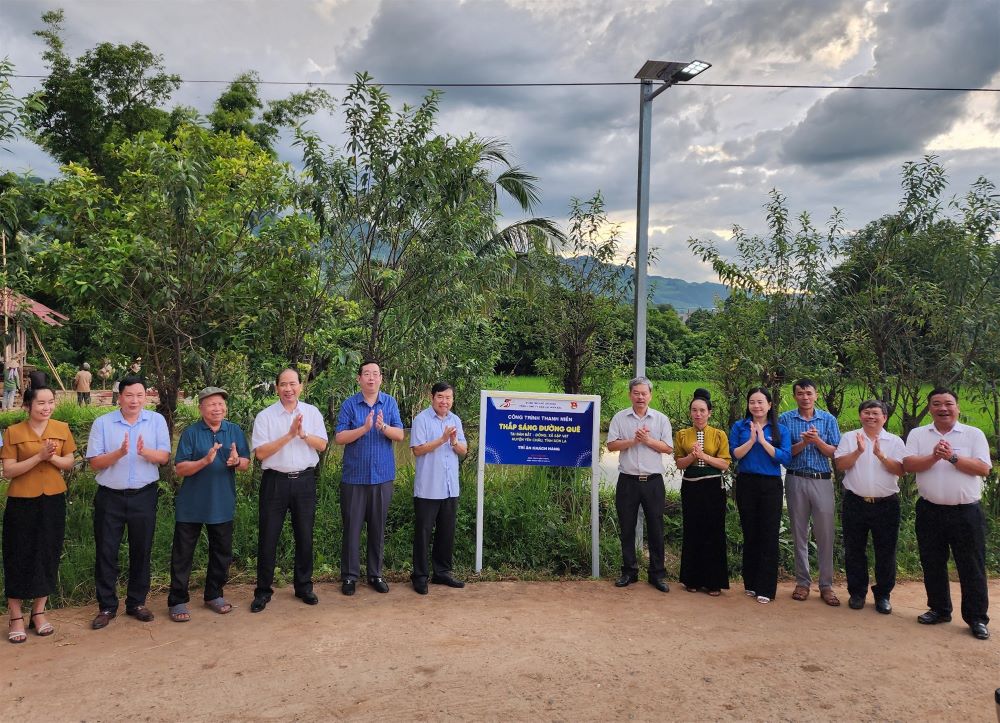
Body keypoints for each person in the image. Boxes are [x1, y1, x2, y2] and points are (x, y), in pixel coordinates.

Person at [903, 388, 991, 641]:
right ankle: (939, 609)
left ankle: (976, 618)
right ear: (930, 408)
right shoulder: (919, 434)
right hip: (930, 510)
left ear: (958, 407)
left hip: (966, 512)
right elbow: (908, 465)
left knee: (971, 566)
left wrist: (952, 456)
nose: (943, 408)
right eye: (937, 404)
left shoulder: (973, 434)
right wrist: (934, 456)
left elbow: (983, 468)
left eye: (948, 403)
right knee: (932, 562)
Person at [86, 374, 170, 629]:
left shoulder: (156, 421)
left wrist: (145, 452)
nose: (134, 400)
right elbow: (94, 463)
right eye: (129, 395)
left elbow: (164, 457)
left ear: (146, 397)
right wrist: (120, 453)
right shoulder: (103, 423)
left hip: (143, 496)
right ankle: (107, 606)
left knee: (141, 550)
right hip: (110, 497)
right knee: (106, 552)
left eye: (139, 395)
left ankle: (136, 603)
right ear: (120, 397)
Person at [167, 387, 250, 622]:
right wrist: (205, 460)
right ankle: (178, 600)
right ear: (201, 408)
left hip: (222, 502)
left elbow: (246, 462)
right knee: (183, 555)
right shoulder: (191, 433)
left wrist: (236, 461)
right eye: (212, 404)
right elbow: (180, 468)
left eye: (221, 404)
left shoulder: (233, 430)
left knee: (221, 553)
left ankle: (214, 594)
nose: (218, 408)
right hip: (191, 505)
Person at [249, 368, 328, 613]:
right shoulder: (266, 416)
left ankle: (304, 586)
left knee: (304, 535)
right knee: (268, 537)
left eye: (293, 384)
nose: (288, 389)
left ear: (300, 387)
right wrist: (289, 435)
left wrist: (303, 434)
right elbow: (260, 453)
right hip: (275, 482)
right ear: (277, 388)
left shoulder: (312, 413)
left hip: (304, 481)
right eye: (283, 384)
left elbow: (323, 445)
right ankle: (263, 591)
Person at [2, 386, 76, 643]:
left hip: (53, 499)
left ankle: (39, 611)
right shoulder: (13, 432)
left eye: (51, 402)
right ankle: (15, 615)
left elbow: (69, 462)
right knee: (17, 554)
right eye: (41, 403)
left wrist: (52, 459)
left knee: (48, 552)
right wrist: (39, 456)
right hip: (22, 502)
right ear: (27, 406)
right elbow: (9, 471)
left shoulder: (61, 428)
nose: (47, 407)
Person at [335, 360, 405, 595]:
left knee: (377, 528)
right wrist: (363, 429)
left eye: (375, 374)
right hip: (354, 478)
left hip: (382, 477)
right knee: (352, 529)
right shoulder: (349, 405)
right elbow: (340, 437)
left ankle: (375, 574)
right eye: (367, 374)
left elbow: (400, 434)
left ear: (381, 378)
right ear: (359, 379)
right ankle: (349, 577)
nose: (371, 378)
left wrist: (382, 426)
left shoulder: (390, 402)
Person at [834, 400, 905, 614]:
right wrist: (858, 452)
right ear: (860, 416)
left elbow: (901, 470)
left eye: (876, 413)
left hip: (886, 504)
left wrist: (881, 456)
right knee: (854, 550)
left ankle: (883, 595)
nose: (871, 417)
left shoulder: (894, 441)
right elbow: (840, 465)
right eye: (866, 413)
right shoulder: (850, 437)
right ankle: (857, 593)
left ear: (884, 417)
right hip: (855, 502)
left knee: (886, 551)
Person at [606, 376, 673, 592]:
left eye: (644, 393)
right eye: (636, 393)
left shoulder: (661, 420)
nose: (640, 397)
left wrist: (647, 441)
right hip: (628, 481)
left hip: (653, 482)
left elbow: (668, 448)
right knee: (627, 527)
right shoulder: (620, 418)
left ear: (650, 395)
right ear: (630, 395)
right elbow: (611, 445)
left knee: (656, 528)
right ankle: (629, 571)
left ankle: (657, 574)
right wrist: (633, 441)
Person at [778, 378, 842, 606]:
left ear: (816, 395)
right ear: (795, 396)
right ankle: (802, 582)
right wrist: (804, 443)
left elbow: (834, 451)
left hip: (822, 480)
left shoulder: (828, 419)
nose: (805, 397)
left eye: (808, 393)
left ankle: (826, 585)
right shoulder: (785, 419)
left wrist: (817, 441)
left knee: (825, 534)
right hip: (795, 478)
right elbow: (784, 454)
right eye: (800, 393)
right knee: (799, 532)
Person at [729, 387, 791, 604]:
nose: (756, 406)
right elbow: (734, 454)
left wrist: (764, 442)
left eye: (760, 402)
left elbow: (784, 457)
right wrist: (752, 440)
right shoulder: (740, 426)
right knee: (750, 532)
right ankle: (751, 583)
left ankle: (766, 587)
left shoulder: (780, 429)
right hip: (746, 483)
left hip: (770, 485)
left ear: (769, 405)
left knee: (769, 534)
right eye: (752, 402)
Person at [409, 382, 468, 595]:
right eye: (440, 397)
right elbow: (417, 450)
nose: (445, 401)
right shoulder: (421, 420)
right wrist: (441, 439)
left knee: (446, 532)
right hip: (428, 488)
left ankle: (442, 572)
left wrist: (452, 441)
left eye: (448, 397)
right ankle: (420, 576)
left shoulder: (456, 420)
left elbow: (463, 449)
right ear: (432, 397)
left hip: (450, 488)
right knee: (423, 534)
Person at [674, 388, 731, 596]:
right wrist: (692, 456)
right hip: (690, 486)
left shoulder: (719, 435)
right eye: (694, 410)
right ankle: (692, 579)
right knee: (692, 530)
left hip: (713, 487)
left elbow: (725, 464)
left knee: (714, 531)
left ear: (709, 412)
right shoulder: (682, 434)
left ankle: (714, 581)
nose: (698, 414)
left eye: (702, 410)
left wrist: (704, 457)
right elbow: (679, 463)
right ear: (690, 412)